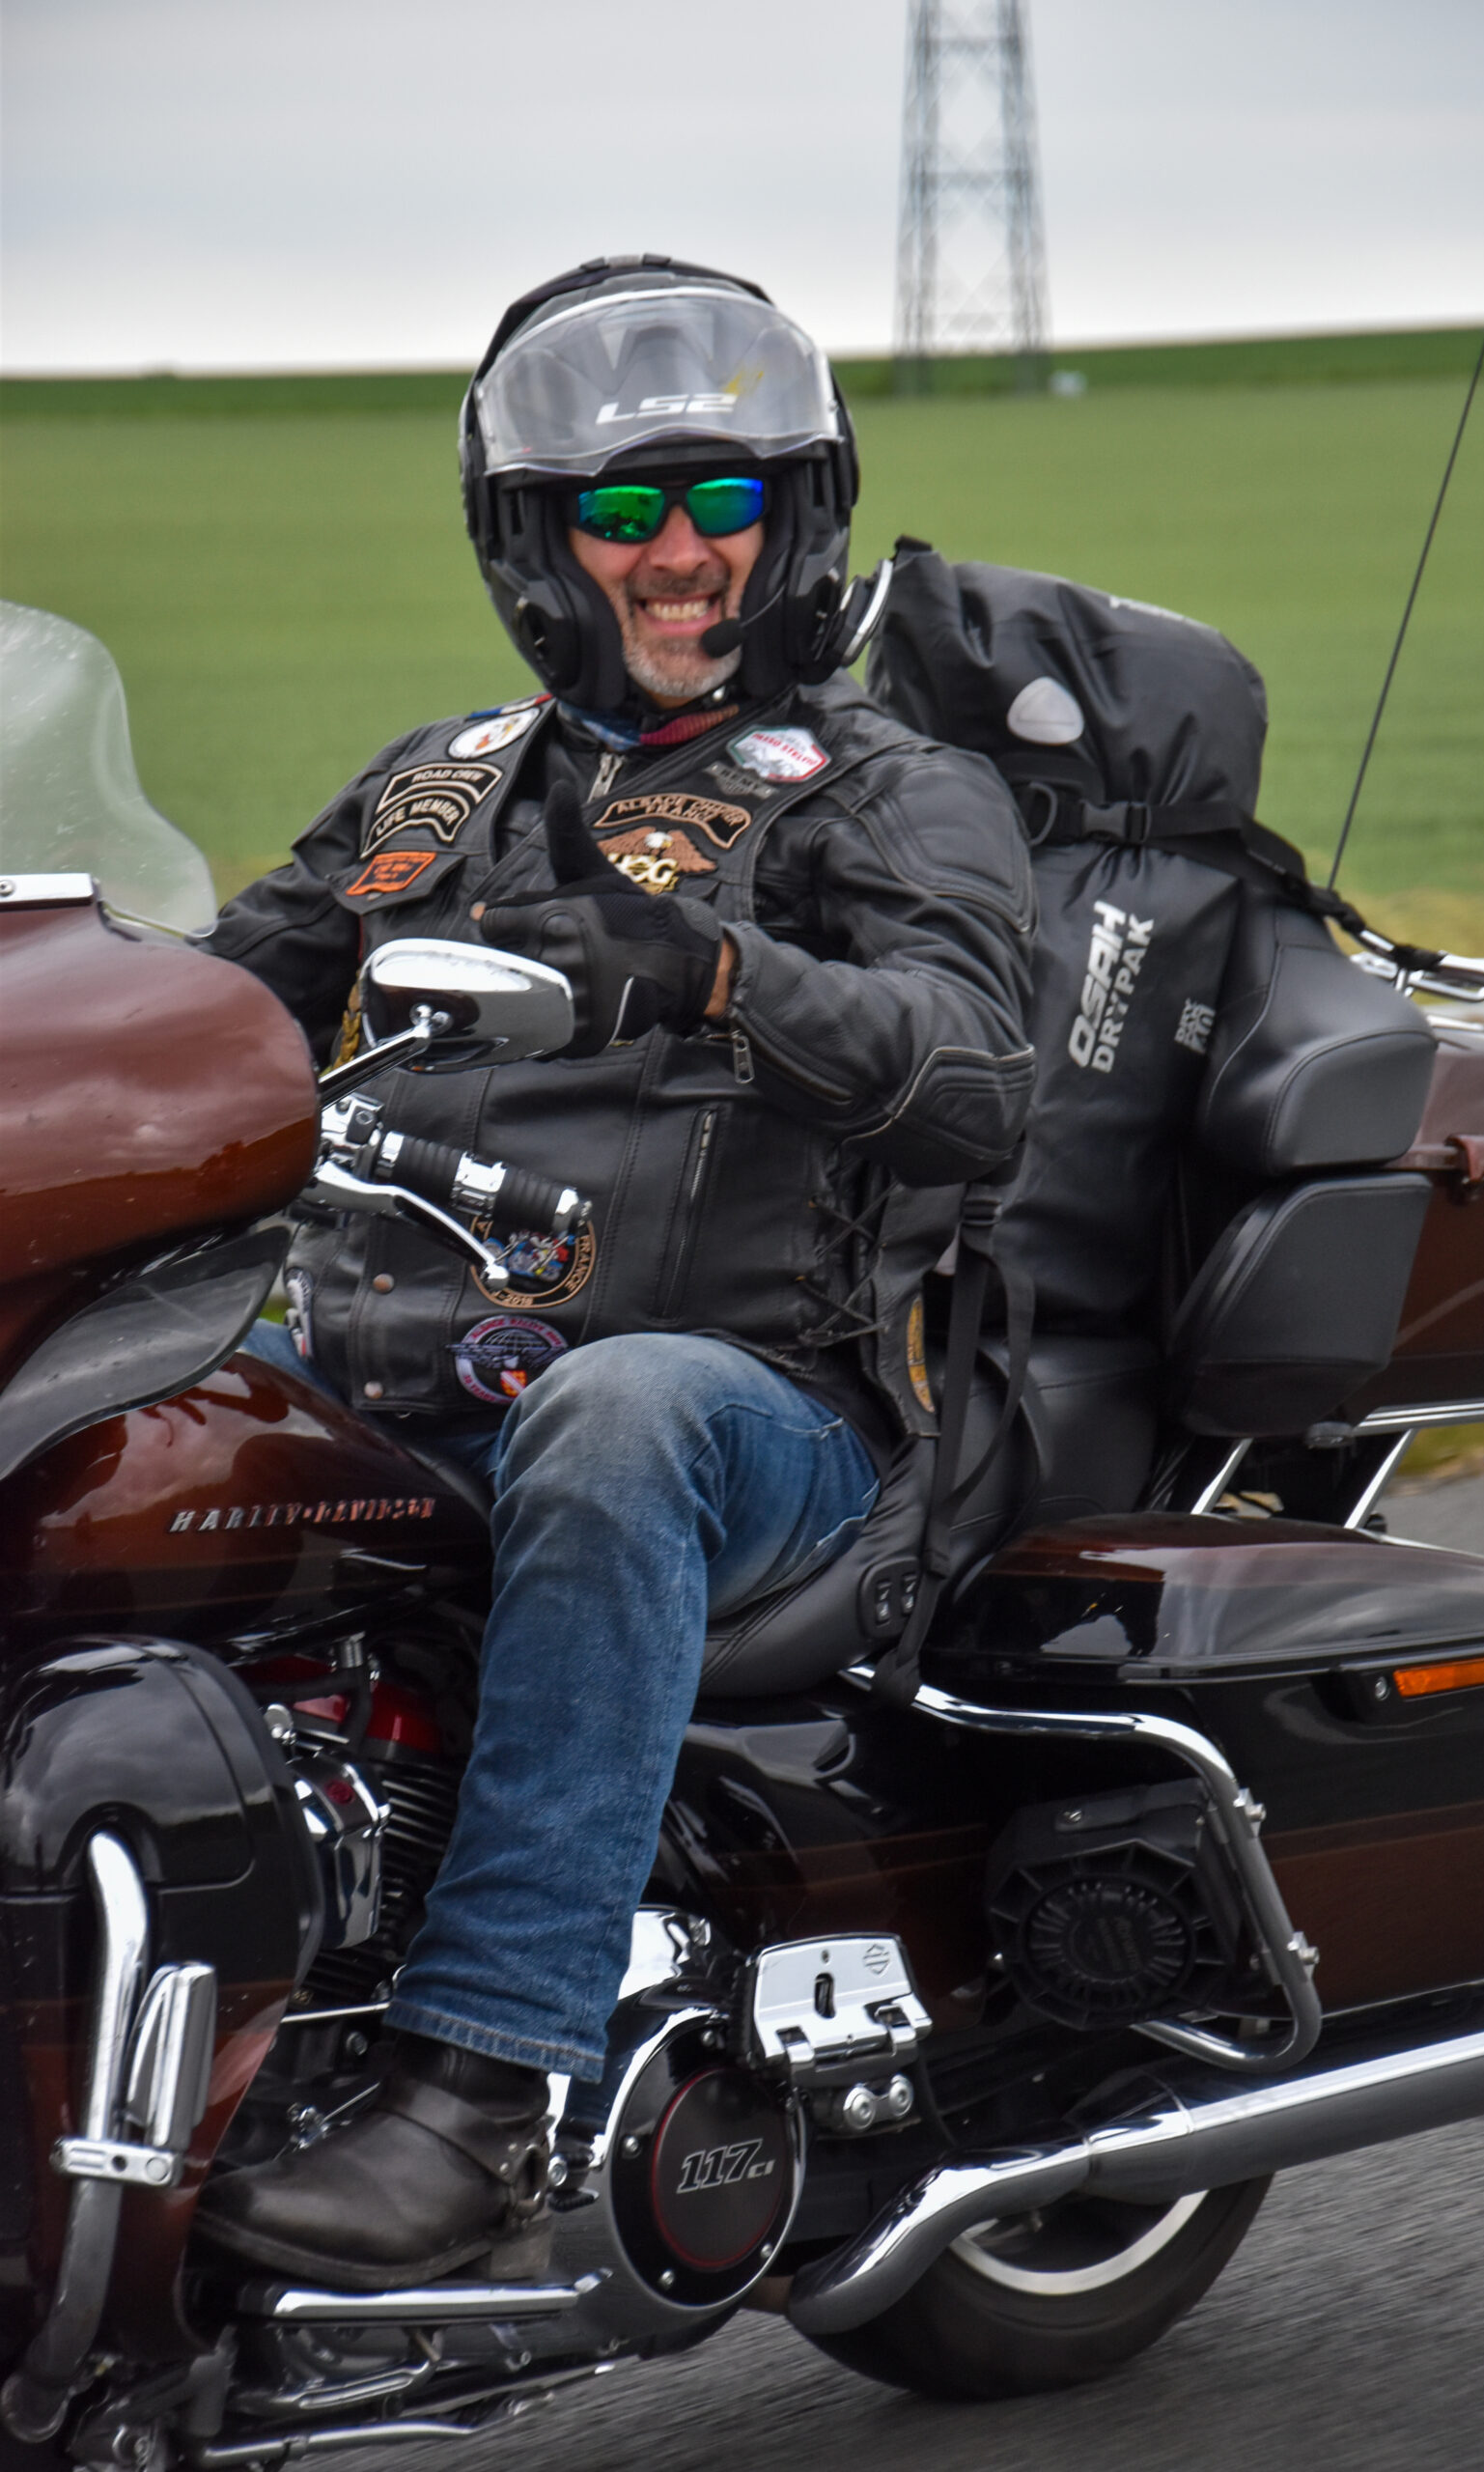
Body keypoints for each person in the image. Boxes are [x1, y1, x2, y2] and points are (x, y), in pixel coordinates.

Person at [194, 257, 1033, 2288]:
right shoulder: (436, 789)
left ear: (794, 517)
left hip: (760, 1424)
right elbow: (209, 1014)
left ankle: (484, 2084)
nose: (678, 553)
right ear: (536, 542)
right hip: (409, 1380)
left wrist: (719, 973)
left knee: (618, 1406)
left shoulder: (880, 791)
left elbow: (979, 1080)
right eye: (624, 508)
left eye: (723, 500)